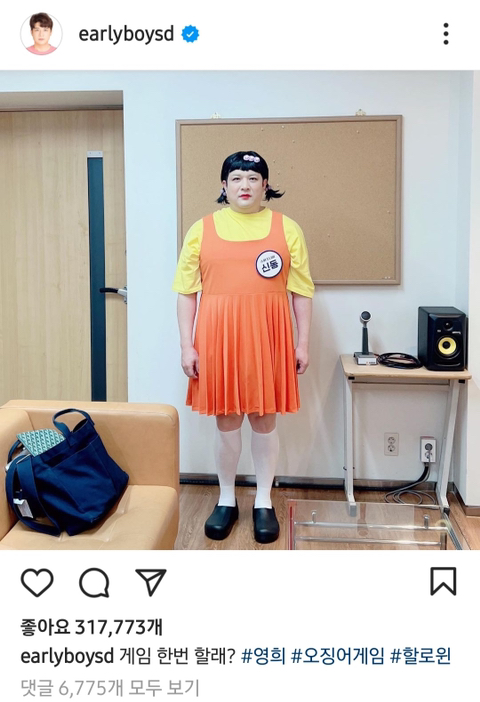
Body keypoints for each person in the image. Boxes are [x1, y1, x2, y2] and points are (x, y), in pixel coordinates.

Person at [173, 150, 314, 544]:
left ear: (265, 185)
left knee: (264, 420)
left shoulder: (287, 229)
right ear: (224, 186)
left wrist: (302, 343)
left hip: (269, 336)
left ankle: (264, 501)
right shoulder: (201, 230)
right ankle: (226, 499)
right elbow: (186, 292)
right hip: (218, 338)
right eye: (236, 178)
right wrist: (187, 346)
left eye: (253, 178)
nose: (245, 185)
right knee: (227, 420)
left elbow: (301, 291)